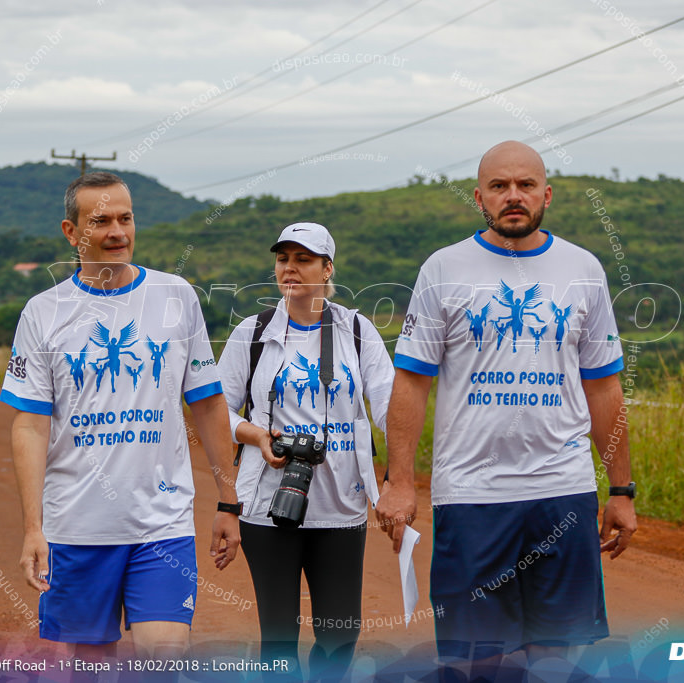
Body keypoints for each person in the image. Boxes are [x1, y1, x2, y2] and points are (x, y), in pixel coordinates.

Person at [376, 141, 637, 680]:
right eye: (499, 186)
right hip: (473, 497)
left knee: (558, 663)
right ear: (479, 197)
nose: (512, 196)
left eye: (524, 185)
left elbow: (605, 389)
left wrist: (621, 490)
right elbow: (411, 382)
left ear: (547, 193)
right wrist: (400, 481)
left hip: (562, 491)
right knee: (479, 664)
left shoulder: (583, 268)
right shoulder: (444, 268)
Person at [0, 172, 240, 661]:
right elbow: (29, 424)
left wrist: (229, 502)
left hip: (162, 523)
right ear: (72, 232)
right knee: (91, 664)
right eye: (101, 221)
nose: (117, 232)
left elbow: (209, 403)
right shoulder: (43, 312)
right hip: (77, 527)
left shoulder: (176, 297)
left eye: (125, 218)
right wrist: (32, 528)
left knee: (165, 652)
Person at [217, 222, 393, 680]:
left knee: (340, 635)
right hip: (267, 504)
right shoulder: (252, 333)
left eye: (304, 259)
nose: (290, 268)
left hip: (340, 503)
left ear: (327, 267)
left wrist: (397, 477)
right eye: (283, 259)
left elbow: (390, 409)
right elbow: (218, 411)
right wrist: (257, 436)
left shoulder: (357, 330)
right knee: (277, 636)